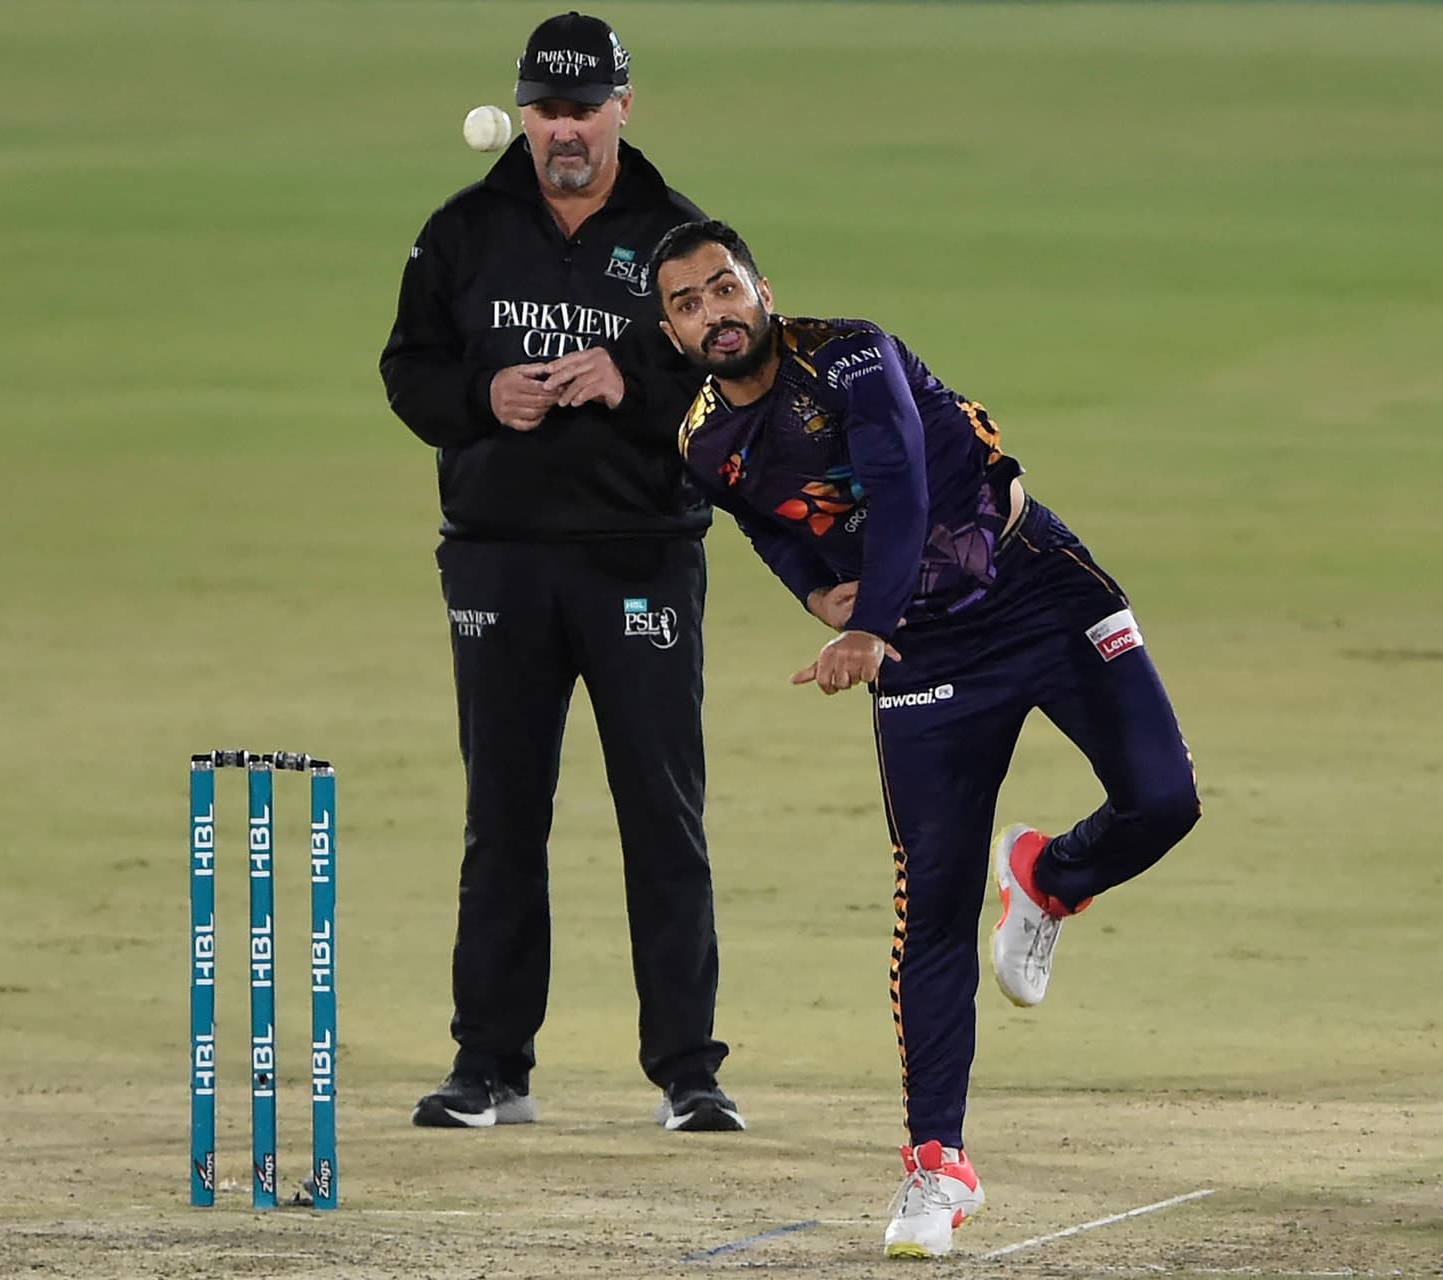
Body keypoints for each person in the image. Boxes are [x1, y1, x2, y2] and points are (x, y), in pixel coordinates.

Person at [650, 220, 1202, 1255]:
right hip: (924, 657)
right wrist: (820, 595)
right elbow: (762, 517)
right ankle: (936, 1164)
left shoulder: (853, 353)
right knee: (935, 902)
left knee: (1166, 798)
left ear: (762, 289)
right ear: (671, 328)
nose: (712, 313)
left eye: (724, 288)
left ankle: (1049, 873)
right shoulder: (704, 443)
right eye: (686, 303)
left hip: (1034, 581)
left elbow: (900, 482)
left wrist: (869, 621)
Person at [378, 14, 742, 1133]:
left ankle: (688, 1071)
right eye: (546, 110)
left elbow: (737, 373)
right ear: (523, 110)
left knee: (662, 819)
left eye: (585, 110)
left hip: (640, 558)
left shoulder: (684, 242)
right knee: (502, 818)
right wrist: (486, 398)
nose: (564, 131)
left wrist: (627, 380)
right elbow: (409, 370)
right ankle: (490, 1065)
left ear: (625, 108)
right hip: (498, 558)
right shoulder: (464, 232)